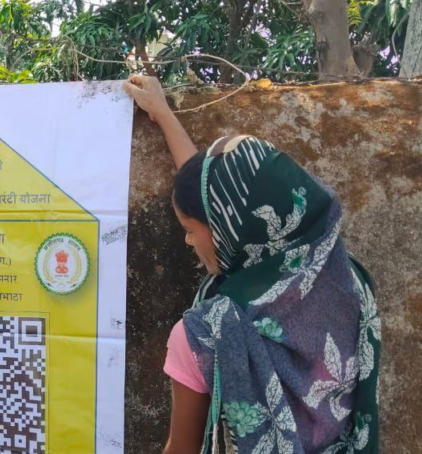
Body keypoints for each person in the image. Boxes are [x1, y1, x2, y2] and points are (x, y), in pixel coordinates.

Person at [124, 75, 381, 454]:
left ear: (229, 233)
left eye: (189, 230)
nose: (187, 241)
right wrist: (163, 114)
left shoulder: (205, 336)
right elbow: (218, 201)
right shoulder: (350, 282)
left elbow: (182, 448)